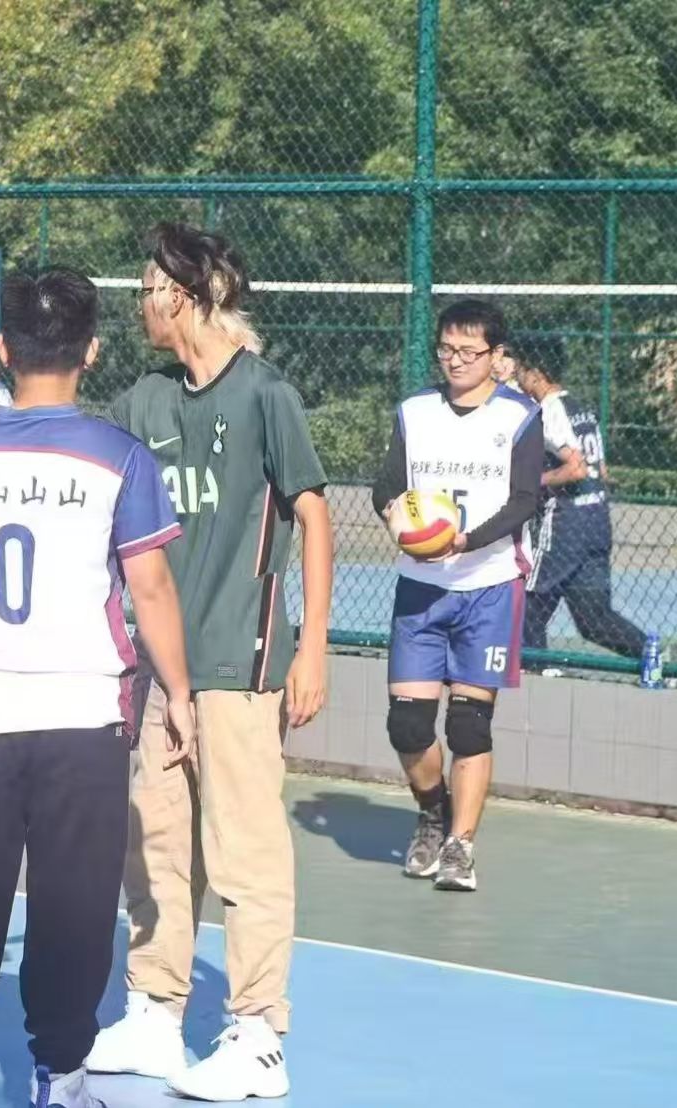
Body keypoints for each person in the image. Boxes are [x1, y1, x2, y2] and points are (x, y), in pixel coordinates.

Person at [0, 268, 193, 1108]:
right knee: (74, 906)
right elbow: (151, 587)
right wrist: (181, 694)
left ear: (3, 350)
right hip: (85, 717)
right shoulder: (120, 457)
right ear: (93, 351)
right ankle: (60, 1073)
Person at [88, 223, 332, 1102]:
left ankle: (259, 1034)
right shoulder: (145, 402)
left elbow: (313, 514)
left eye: (148, 288)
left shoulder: (265, 394)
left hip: (242, 658)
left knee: (244, 848)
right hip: (169, 669)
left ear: (184, 298)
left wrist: (313, 645)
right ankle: (156, 1011)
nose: (140, 304)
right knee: (156, 842)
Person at [370, 299, 542, 893]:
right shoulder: (415, 411)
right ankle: (431, 813)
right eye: (447, 349)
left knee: (468, 727)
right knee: (407, 724)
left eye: (470, 351)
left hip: (488, 587)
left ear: (497, 356)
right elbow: (386, 487)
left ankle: (460, 846)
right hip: (421, 588)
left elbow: (525, 500)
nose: (456, 360)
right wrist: (398, 520)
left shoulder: (519, 415)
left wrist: (466, 540)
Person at [511, 338, 647, 659]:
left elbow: (576, 469)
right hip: (597, 520)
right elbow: (602, 469)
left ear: (536, 374)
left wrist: (533, 482)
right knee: (593, 619)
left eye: (520, 371)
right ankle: (650, 654)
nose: (518, 377)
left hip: (566, 524)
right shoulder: (581, 409)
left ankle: (537, 669)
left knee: (527, 598)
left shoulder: (549, 411)